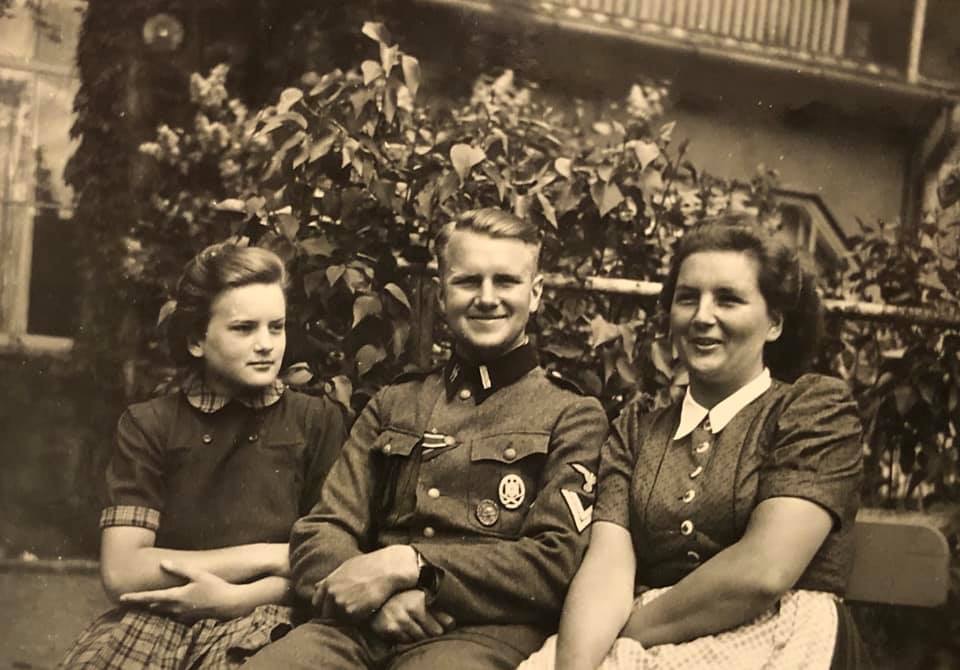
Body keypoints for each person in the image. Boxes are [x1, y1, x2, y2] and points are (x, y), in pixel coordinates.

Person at [245, 208, 608, 670]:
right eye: (468, 281)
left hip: (478, 635)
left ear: (534, 294)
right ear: (441, 295)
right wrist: (376, 604)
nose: (487, 298)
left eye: (506, 281)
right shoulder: (395, 402)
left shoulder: (571, 415)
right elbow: (324, 528)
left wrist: (414, 565)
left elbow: (555, 562)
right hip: (357, 630)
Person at [520, 215, 868, 669]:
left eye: (728, 299)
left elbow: (764, 572)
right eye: (687, 298)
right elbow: (608, 567)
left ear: (775, 322)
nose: (703, 317)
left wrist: (626, 637)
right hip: (650, 641)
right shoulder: (637, 430)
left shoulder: (812, 409)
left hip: (783, 634)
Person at [60, 243, 347, 669]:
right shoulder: (150, 425)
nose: (266, 345)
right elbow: (122, 572)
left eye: (276, 327)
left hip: (271, 615)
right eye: (244, 329)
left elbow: (329, 562)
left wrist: (236, 598)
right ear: (196, 340)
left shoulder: (316, 421)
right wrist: (274, 555)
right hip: (163, 614)